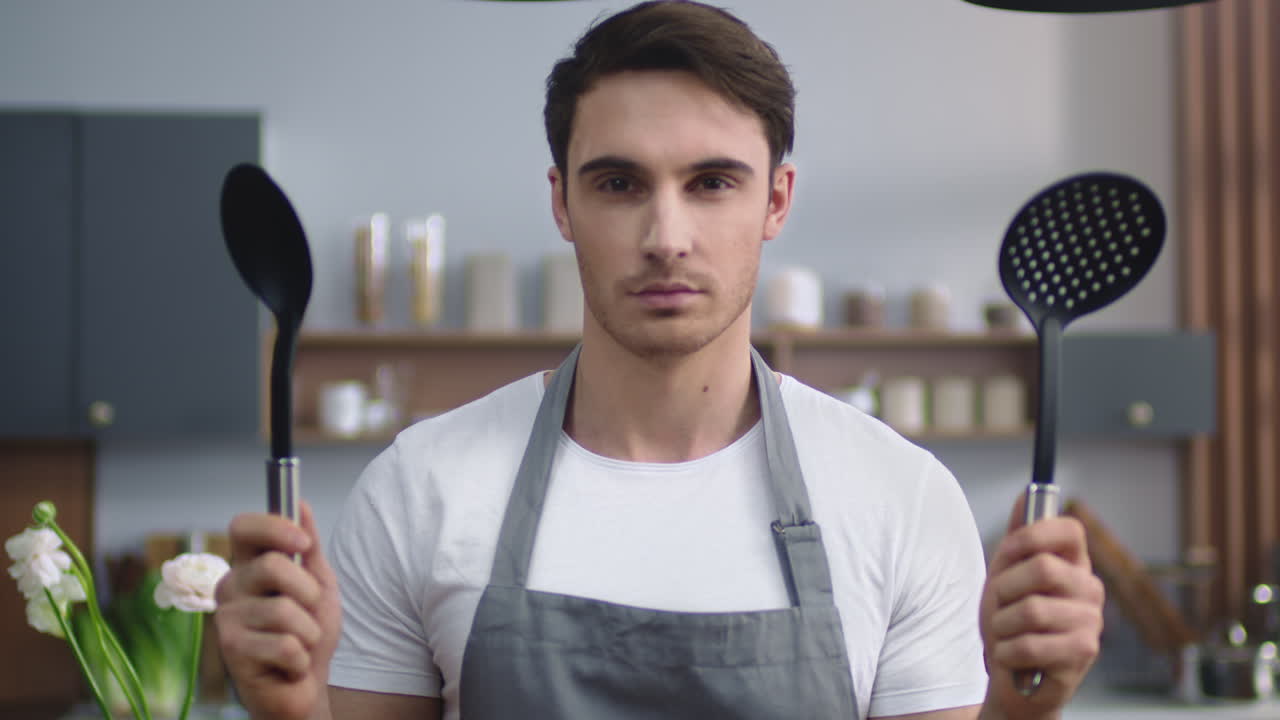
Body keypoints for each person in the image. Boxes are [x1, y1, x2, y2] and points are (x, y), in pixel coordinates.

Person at [213, 2, 1105, 719]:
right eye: (619, 183)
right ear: (563, 203)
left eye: (712, 182)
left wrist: (1028, 710)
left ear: (776, 201)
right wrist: (286, 709)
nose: (665, 237)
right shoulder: (421, 486)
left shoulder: (900, 498)